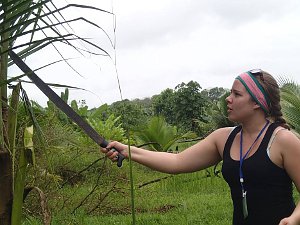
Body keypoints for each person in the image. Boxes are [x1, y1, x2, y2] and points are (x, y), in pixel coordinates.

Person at [101, 69, 300, 225]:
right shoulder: (223, 138)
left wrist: (294, 219)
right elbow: (176, 162)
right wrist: (126, 150)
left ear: (257, 103)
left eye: (236, 94)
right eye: (230, 92)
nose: (228, 99)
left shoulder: (282, 140)